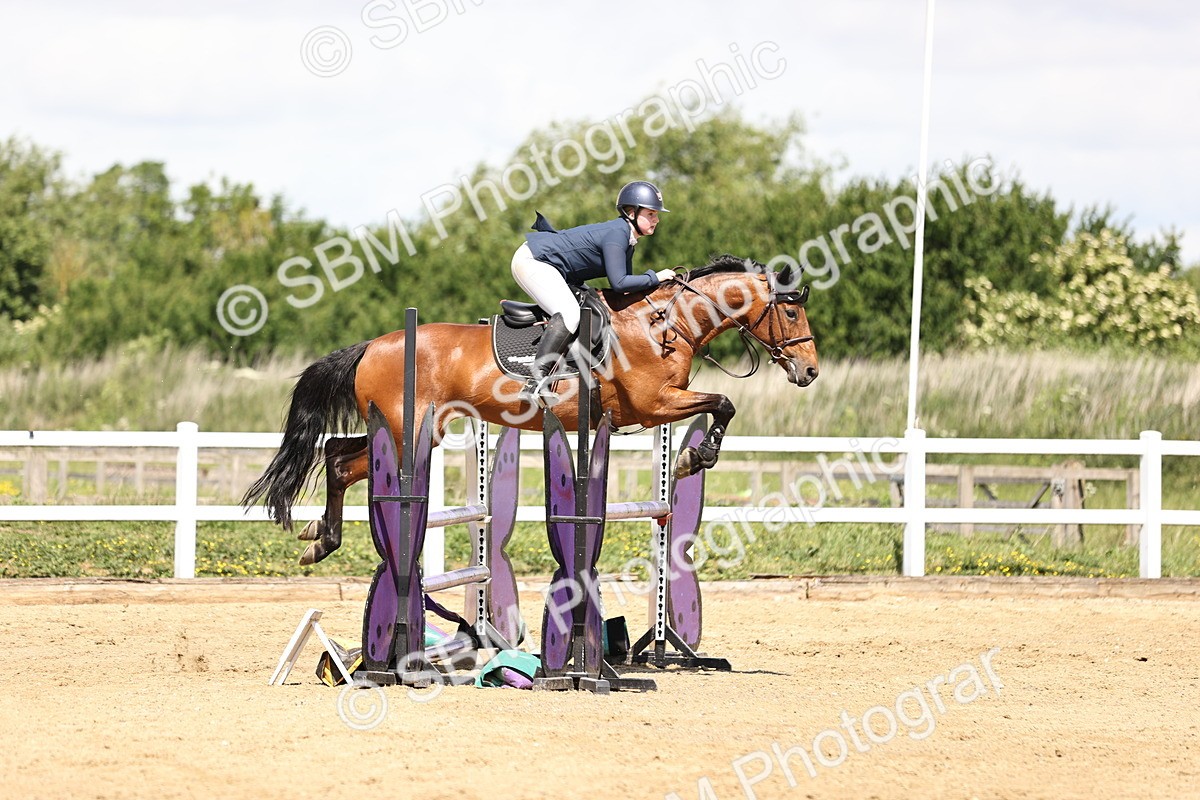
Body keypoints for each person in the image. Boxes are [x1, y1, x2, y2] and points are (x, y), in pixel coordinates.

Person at [510, 180, 677, 405]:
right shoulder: (617, 234)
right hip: (533, 261)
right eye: (651, 213)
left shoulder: (627, 239)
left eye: (657, 214)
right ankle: (535, 380)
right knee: (569, 313)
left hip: (552, 267)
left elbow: (623, 293)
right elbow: (619, 283)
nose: (657, 219)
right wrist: (655, 277)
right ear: (631, 213)